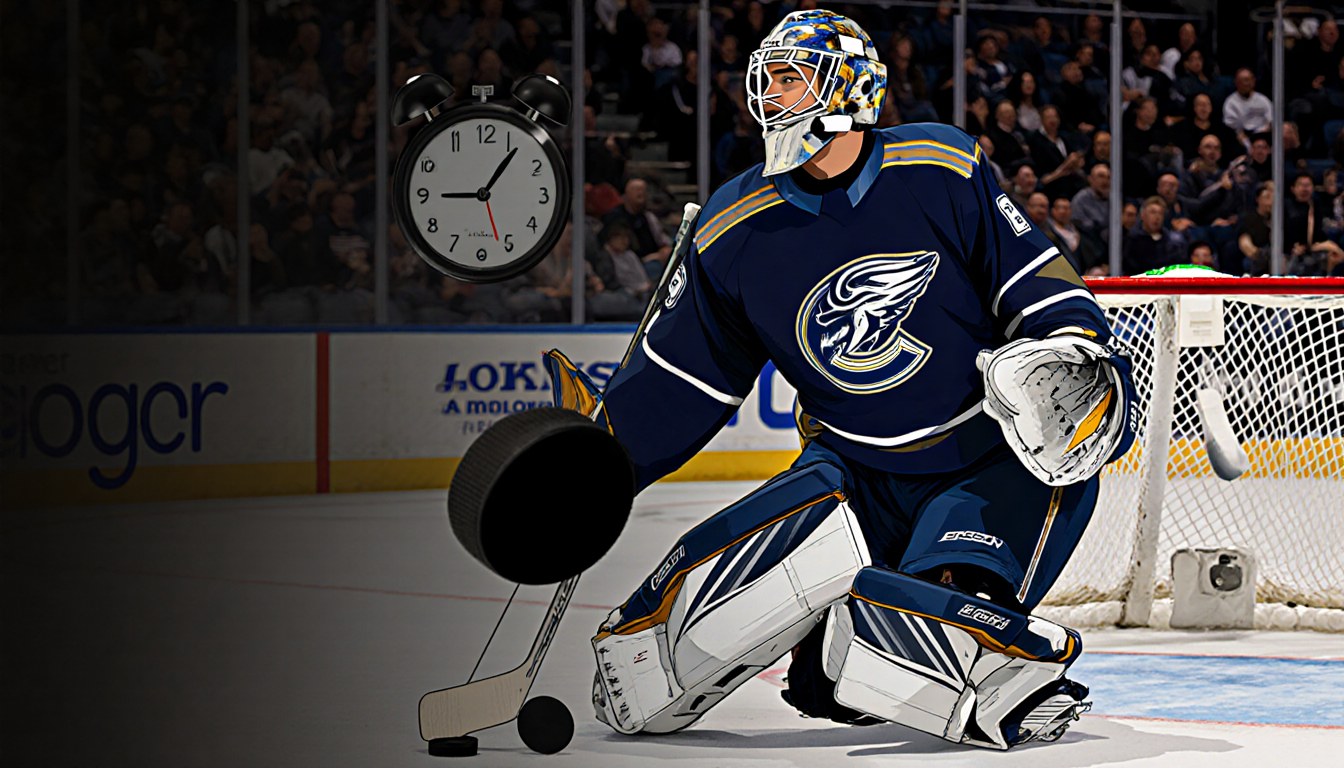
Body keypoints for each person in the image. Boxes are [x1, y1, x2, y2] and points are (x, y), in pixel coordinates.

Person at [545, 10, 1136, 751]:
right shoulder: (733, 228)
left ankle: (1004, 668)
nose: (771, 94)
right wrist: (597, 464)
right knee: (758, 672)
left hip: (989, 462)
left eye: (793, 76)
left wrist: (1072, 345)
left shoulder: (939, 166)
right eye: (767, 79)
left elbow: (1033, 277)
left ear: (851, 86)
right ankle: (897, 642)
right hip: (850, 467)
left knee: (902, 633)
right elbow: (683, 380)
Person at [1123, 196, 1186, 274]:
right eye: (1153, 212)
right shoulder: (1133, 241)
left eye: (1160, 213)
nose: (1157, 217)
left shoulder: (1172, 242)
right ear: (1142, 215)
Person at [1224, 68, 1273, 138]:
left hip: (1262, 134)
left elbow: (1270, 120)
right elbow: (1231, 125)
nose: (1246, 83)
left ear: (1253, 81)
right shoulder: (1230, 102)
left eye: (1248, 80)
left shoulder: (1263, 100)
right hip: (1240, 136)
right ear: (1236, 83)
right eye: (1243, 80)